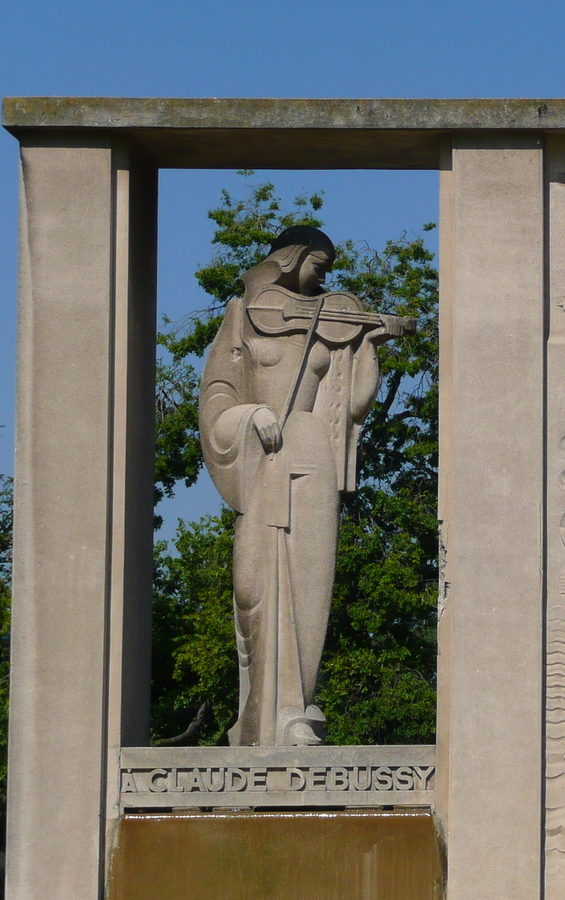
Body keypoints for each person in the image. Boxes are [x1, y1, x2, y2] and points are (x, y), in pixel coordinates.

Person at [199, 226, 413, 746]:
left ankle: (296, 709)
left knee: (309, 587)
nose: (326, 275)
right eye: (320, 263)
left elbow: (353, 404)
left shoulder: (333, 321)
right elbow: (216, 397)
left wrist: (368, 342)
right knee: (254, 584)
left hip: (312, 452)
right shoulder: (244, 313)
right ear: (292, 258)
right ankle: (259, 713)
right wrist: (249, 415)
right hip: (264, 455)